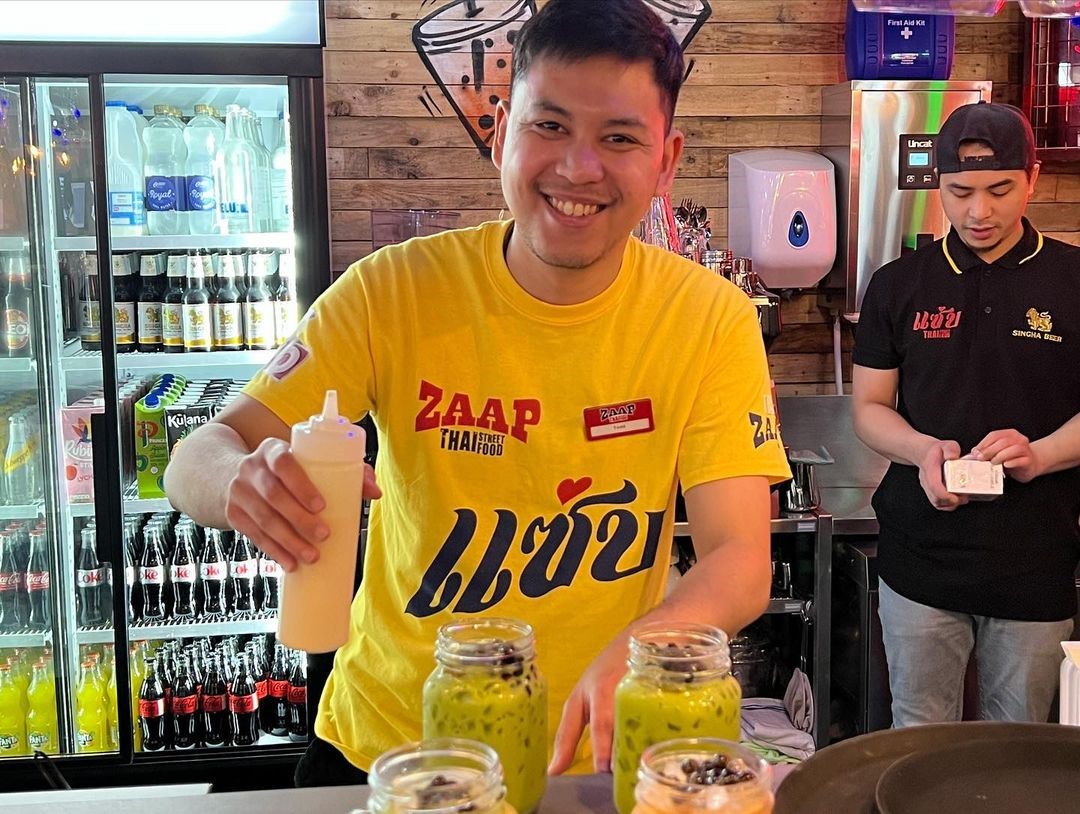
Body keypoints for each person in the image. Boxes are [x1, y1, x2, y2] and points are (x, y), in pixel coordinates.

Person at [165, 0, 790, 786]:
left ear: (665, 162)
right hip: (391, 753)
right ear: (501, 133)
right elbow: (198, 452)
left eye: (620, 138)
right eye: (550, 126)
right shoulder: (390, 292)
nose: (579, 168)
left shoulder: (708, 319)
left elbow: (740, 557)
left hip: (587, 755)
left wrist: (645, 647)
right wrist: (239, 482)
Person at [852, 101, 1080, 728]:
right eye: (960, 192)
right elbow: (870, 409)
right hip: (921, 556)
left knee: (1019, 744)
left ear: (1032, 178)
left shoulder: (1072, 278)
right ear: (939, 188)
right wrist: (923, 450)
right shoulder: (899, 284)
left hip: (1037, 558)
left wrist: (1041, 455)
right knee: (918, 735)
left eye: (1000, 190)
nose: (979, 212)